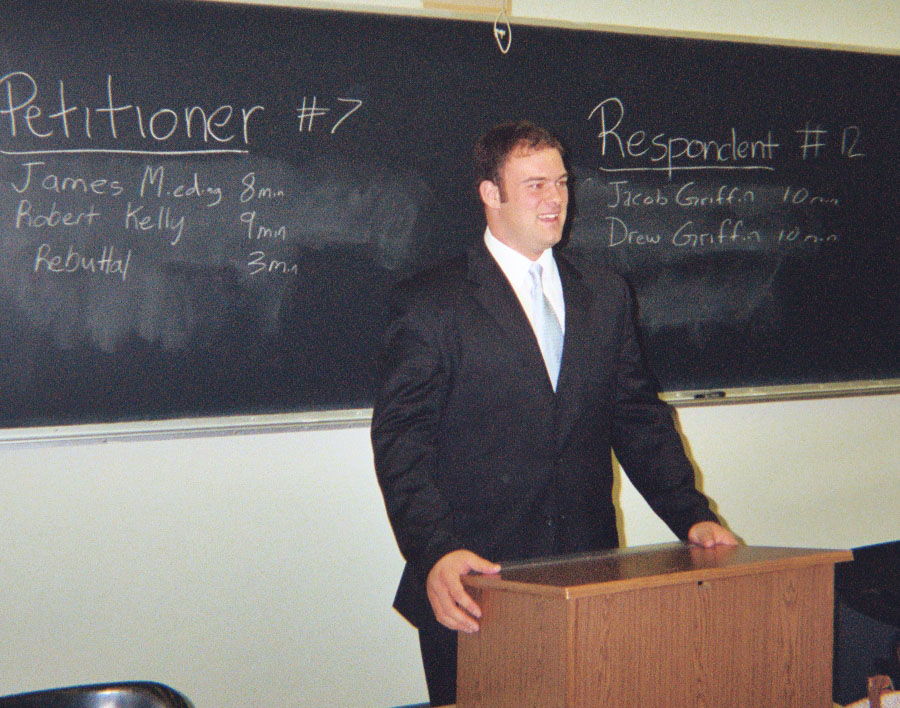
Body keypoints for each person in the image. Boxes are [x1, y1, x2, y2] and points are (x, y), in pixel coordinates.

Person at [371, 120, 737, 706]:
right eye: (536, 185)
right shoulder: (432, 302)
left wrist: (691, 516)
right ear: (490, 194)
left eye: (562, 182)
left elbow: (637, 417)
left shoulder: (606, 292)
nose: (557, 199)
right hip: (478, 584)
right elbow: (401, 445)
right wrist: (433, 550)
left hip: (586, 575)